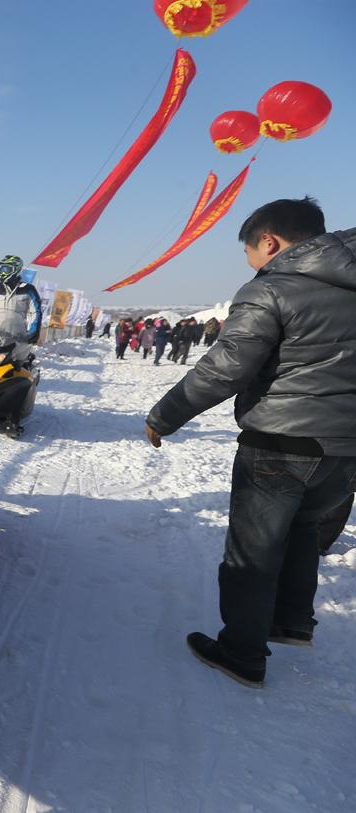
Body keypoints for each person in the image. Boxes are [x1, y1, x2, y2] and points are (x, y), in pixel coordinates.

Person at [145, 197, 356, 687]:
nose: (252, 263)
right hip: (345, 449)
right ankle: (291, 622)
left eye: (250, 252)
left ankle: (241, 653)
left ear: (269, 241)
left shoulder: (274, 289)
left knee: (253, 550)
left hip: (282, 443)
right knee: (303, 531)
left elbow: (225, 369)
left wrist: (164, 416)